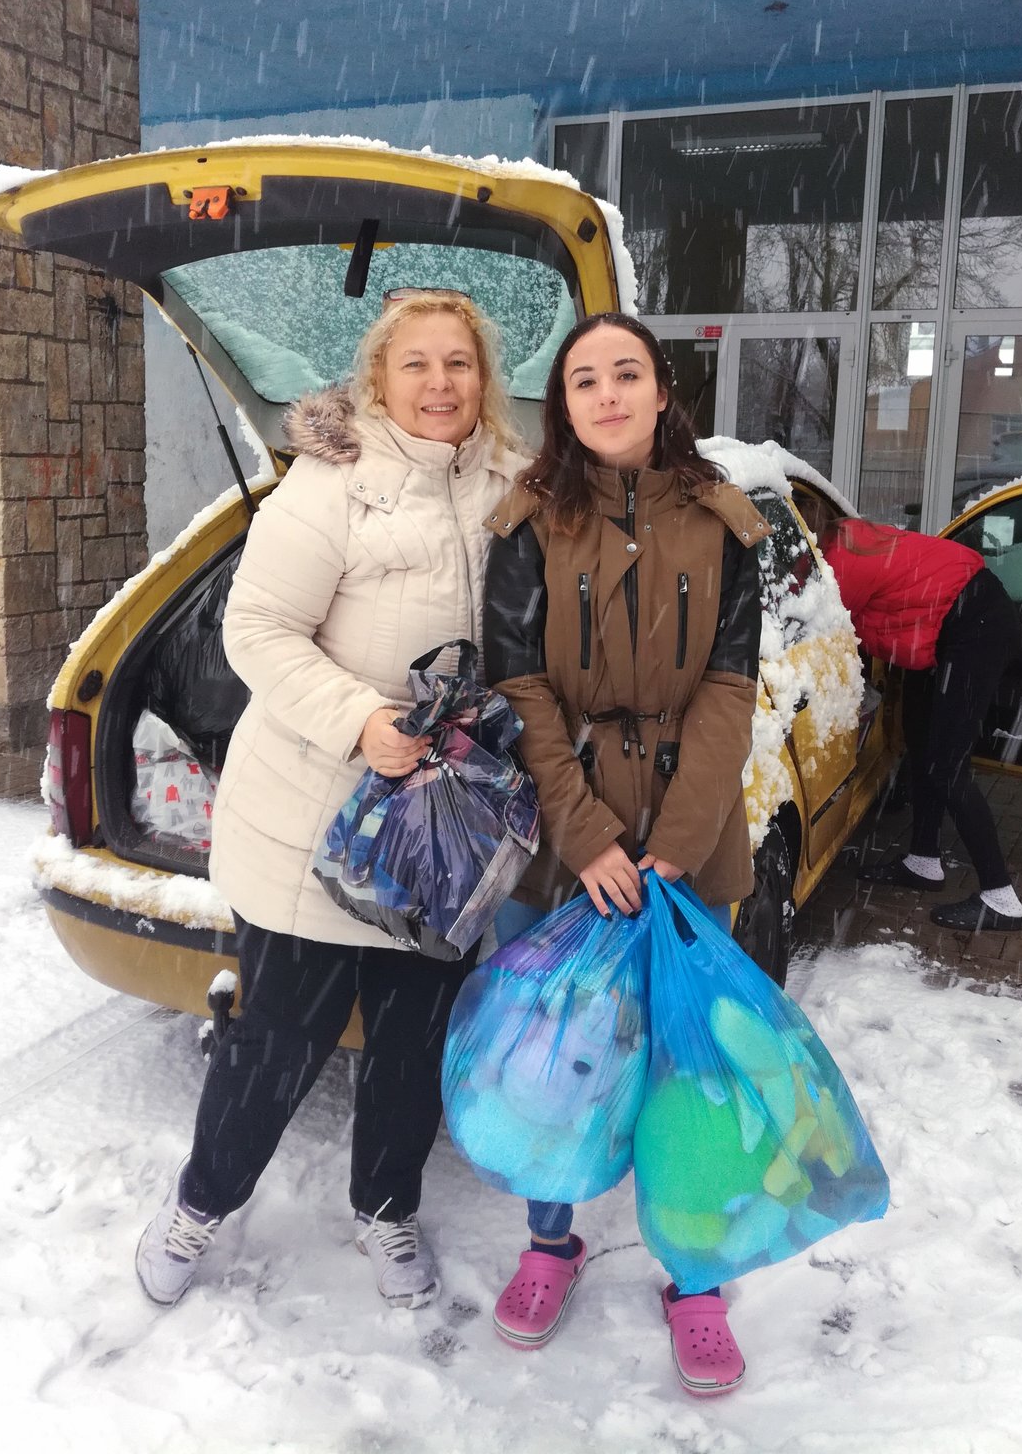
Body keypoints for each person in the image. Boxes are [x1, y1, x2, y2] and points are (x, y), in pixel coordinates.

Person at [135, 290, 527, 1309]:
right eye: (416, 364)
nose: (439, 383)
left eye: (459, 363)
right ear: (379, 379)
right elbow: (257, 628)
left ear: (483, 378)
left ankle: (387, 1209)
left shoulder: (512, 482)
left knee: (411, 1044)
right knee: (277, 1038)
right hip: (314, 816)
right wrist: (360, 720)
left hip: (441, 830)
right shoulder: (331, 484)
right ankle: (201, 1202)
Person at [481, 312, 769, 1397]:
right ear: (564, 404)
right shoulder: (528, 522)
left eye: (626, 373)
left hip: (693, 838)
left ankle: (696, 1274)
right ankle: (549, 1241)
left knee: (690, 1065)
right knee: (552, 1061)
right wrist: (588, 831)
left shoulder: (726, 521)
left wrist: (679, 844)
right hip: (562, 839)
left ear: (660, 390)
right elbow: (519, 688)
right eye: (584, 379)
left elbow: (731, 689)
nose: (607, 394)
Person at [819, 517, 1022, 934]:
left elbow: (824, 630)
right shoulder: (846, 537)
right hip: (941, 625)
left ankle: (1001, 898)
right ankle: (923, 861)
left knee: (947, 766)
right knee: (920, 742)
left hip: (973, 626)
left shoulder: (839, 562)